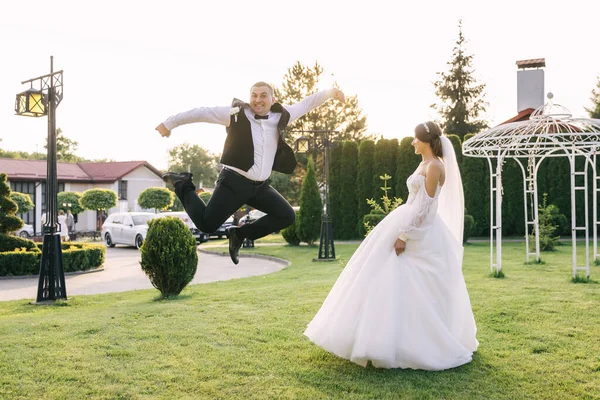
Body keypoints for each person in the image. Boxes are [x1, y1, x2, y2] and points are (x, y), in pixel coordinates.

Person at [304, 121, 478, 371]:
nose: (412, 143)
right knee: (383, 277)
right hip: (406, 218)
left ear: (426, 140)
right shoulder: (423, 164)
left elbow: (426, 206)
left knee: (415, 283)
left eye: (415, 139)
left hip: (421, 231)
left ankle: (417, 344)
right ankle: (382, 338)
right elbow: (414, 202)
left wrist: (404, 236)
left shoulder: (435, 166)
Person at [156, 82, 345, 265]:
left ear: (273, 99)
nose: (258, 100)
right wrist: (169, 123)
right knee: (207, 225)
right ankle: (182, 184)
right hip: (234, 184)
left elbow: (307, 103)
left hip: (260, 187)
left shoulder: (283, 115)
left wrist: (331, 93)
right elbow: (202, 112)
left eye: (263, 95)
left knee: (286, 215)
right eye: (254, 95)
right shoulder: (235, 113)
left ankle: (239, 234)